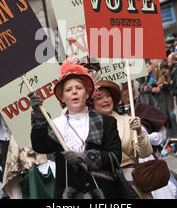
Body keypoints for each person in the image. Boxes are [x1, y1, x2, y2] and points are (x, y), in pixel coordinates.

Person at [29, 58, 122, 199]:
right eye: (68, 89)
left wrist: (85, 157)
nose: (74, 92)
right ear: (62, 97)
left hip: (104, 193)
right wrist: (38, 115)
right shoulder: (56, 125)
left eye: (79, 88)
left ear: (87, 94)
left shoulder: (107, 122)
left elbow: (115, 158)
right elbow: (40, 146)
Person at [114, 80, 177, 199]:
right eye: (125, 88)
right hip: (128, 171)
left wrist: (142, 137)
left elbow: (161, 136)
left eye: (131, 87)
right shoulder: (112, 117)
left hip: (150, 166)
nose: (128, 91)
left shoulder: (144, 109)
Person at [90, 80, 153, 198]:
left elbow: (145, 153)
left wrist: (139, 132)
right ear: (91, 103)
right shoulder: (87, 128)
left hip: (133, 186)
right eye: (99, 97)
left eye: (108, 96)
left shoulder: (127, 121)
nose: (106, 100)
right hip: (106, 189)